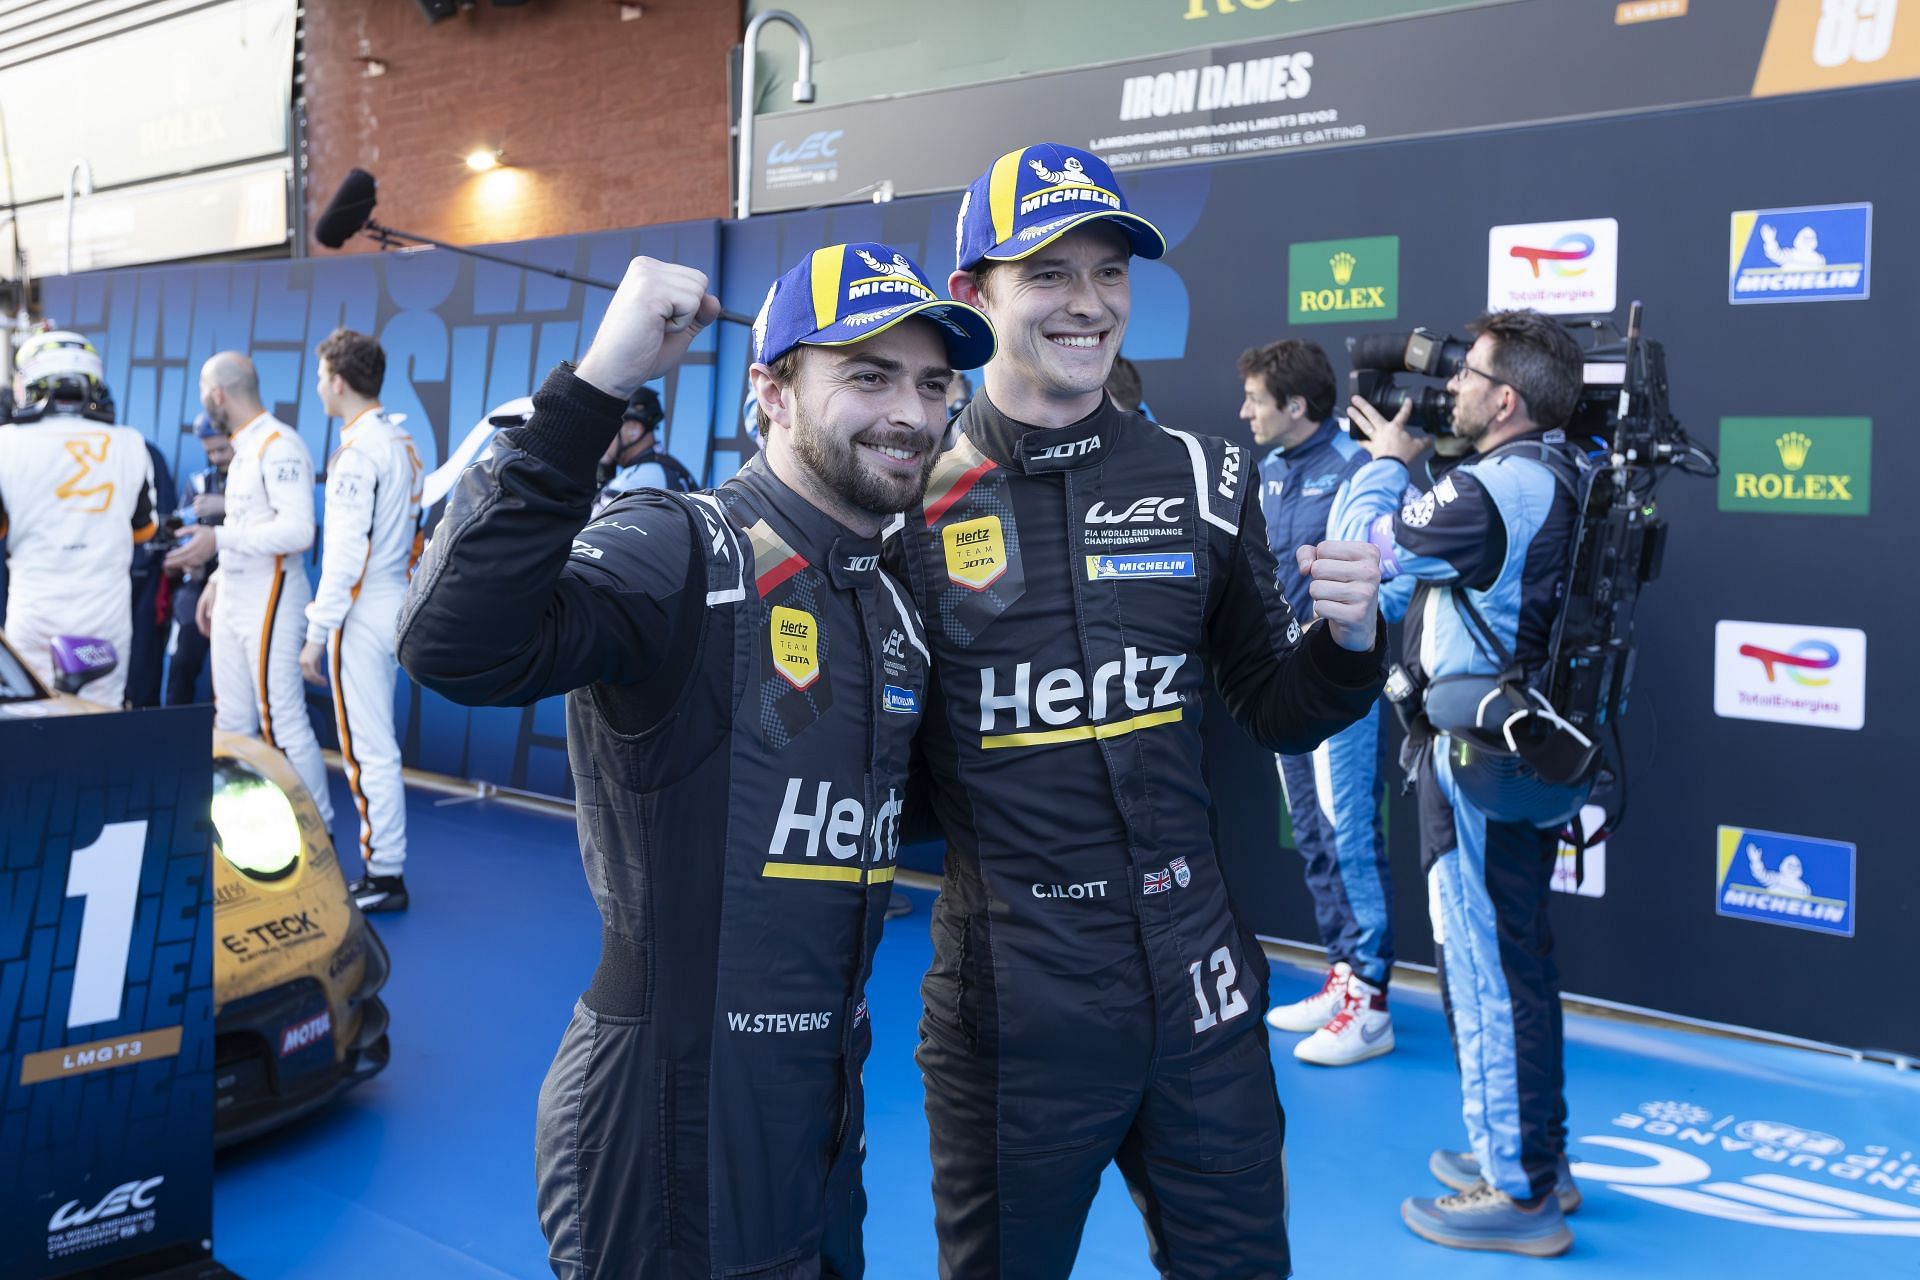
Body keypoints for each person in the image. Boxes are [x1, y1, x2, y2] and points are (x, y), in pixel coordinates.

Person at [396, 243, 994, 1279]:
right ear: (769, 390)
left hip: (820, 1104)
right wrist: (596, 385)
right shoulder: (681, 544)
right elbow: (453, 642)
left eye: (933, 382)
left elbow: (895, 807)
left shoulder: (889, 595)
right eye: (867, 373)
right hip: (661, 1108)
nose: (910, 410)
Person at [887, 142, 1386, 1279]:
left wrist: (1350, 646)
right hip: (1016, 1002)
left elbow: (1274, 707)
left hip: (1201, 988)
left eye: (1109, 272)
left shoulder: (1207, 474)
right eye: (1050, 273)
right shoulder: (907, 500)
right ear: (976, 294)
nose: (1089, 302)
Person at [1343, 309, 1589, 1258]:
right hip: (1525, 756)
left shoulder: (1491, 490)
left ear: (1508, 399)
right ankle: (1539, 1158)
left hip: (1479, 764)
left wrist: (1386, 463)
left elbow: (1365, 550)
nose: (1452, 386)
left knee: (1485, 974)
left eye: (1470, 374)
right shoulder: (1566, 469)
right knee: (1518, 963)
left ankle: (1517, 1188)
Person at [1239, 339, 1396, 1066]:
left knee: (1348, 837)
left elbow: (1386, 584)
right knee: (1312, 833)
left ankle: (1371, 1001)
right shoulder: (1266, 470)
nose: (1244, 412)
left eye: (1256, 401)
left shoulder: (1359, 471)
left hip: (1340, 688)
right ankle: (1343, 975)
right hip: (1282, 685)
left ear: (1296, 407)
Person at [167, 351, 332, 831]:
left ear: (218, 394)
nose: (202, 398)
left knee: (282, 719)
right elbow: (246, 525)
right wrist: (217, 579)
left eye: (203, 388)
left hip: (273, 595)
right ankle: (240, 829)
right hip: (238, 594)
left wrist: (216, 541)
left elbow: (299, 531)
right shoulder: (245, 446)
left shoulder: (279, 444)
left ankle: (319, 828)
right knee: (233, 719)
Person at [299, 329, 424, 913]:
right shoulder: (400, 441)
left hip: (363, 607)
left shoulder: (357, 453)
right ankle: (385, 868)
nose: (319, 384)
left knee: (365, 749)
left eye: (322, 375)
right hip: (393, 601)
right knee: (377, 746)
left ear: (339, 381)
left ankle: (383, 875)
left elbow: (346, 556)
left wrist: (316, 632)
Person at [0, 330, 157, 706]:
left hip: (34, 605)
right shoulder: (130, 442)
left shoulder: (6, 443)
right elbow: (144, 531)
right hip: (105, 610)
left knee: (29, 721)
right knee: (101, 725)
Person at [165, 414, 232, 706]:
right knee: (182, 663)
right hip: (197, 585)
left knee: (232, 677)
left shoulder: (256, 476)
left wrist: (226, 506)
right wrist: (186, 557)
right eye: (210, 451)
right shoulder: (198, 482)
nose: (216, 457)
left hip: (237, 583)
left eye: (222, 449)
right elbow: (181, 532)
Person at [126, 438, 179, 706]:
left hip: (140, 576)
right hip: (75, 580)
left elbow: (162, 522)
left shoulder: (139, 450)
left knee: (139, 663)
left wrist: (142, 562)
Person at [592, 384, 696, 512]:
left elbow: (583, 529)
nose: (597, 436)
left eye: (605, 428)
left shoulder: (637, 479)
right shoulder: (667, 466)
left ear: (633, 430)